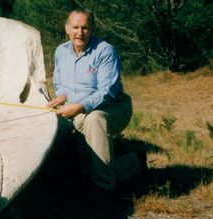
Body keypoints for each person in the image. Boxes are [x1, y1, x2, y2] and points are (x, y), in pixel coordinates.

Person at [47, 9, 147, 191]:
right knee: (79, 164)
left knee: (94, 120)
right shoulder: (60, 52)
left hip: (112, 107)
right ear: (67, 29)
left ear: (92, 29)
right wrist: (62, 96)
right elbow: (58, 82)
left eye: (85, 28)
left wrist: (80, 107)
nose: (80, 32)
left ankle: (104, 187)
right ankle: (134, 161)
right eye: (75, 27)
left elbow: (107, 91)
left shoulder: (105, 51)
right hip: (74, 108)